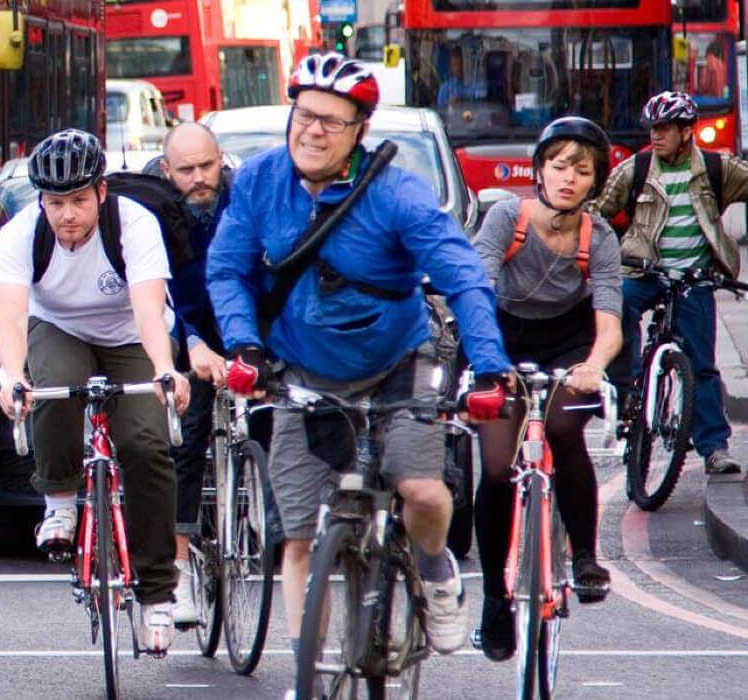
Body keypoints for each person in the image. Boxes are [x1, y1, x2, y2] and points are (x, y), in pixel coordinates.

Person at [205, 52, 513, 675]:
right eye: (304, 115)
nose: (312, 130)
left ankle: (431, 568)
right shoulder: (262, 181)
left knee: (421, 487)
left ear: (359, 132)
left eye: (331, 121)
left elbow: (461, 275)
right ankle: (306, 671)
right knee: (297, 537)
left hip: (399, 359)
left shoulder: (397, 192)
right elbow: (227, 268)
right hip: (303, 368)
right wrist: (243, 345)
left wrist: (489, 366)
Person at [0, 128, 190, 654]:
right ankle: (59, 500)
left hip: (130, 333)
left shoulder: (134, 225)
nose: (67, 215)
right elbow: (11, 321)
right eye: (56, 203)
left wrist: (164, 370)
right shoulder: (19, 236)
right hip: (60, 327)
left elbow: (150, 311)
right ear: (41, 201)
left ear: (101, 193)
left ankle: (156, 593)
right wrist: (11, 377)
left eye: (79, 200)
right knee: (51, 387)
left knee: (147, 445)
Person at [473, 117, 621, 661]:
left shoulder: (598, 237)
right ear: (539, 170)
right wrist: (488, 358)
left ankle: (584, 556)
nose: (568, 178)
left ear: (594, 182)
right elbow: (478, 289)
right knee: (494, 467)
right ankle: (493, 597)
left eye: (581, 171)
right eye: (558, 165)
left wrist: (593, 366)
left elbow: (609, 323)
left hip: (571, 345)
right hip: (501, 337)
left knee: (561, 427)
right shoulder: (505, 218)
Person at [590, 91, 748, 474]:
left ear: (686, 130)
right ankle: (625, 386)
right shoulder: (637, 169)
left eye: (664, 129)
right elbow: (596, 213)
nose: (656, 136)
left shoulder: (715, 168)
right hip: (642, 272)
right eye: (652, 129)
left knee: (703, 366)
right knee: (618, 307)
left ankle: (714, 449)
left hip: (694, 279)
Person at [143, 122, 232, 626]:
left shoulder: (241, 200)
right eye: (186, 170)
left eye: (207, 166)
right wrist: (194, 343)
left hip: (240, 322)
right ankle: (179, 569)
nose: (200, 178)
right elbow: (158, 291)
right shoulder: (153, 211)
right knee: (187, 431)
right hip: (183, 325)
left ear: (222, 158)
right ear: (166, 170)